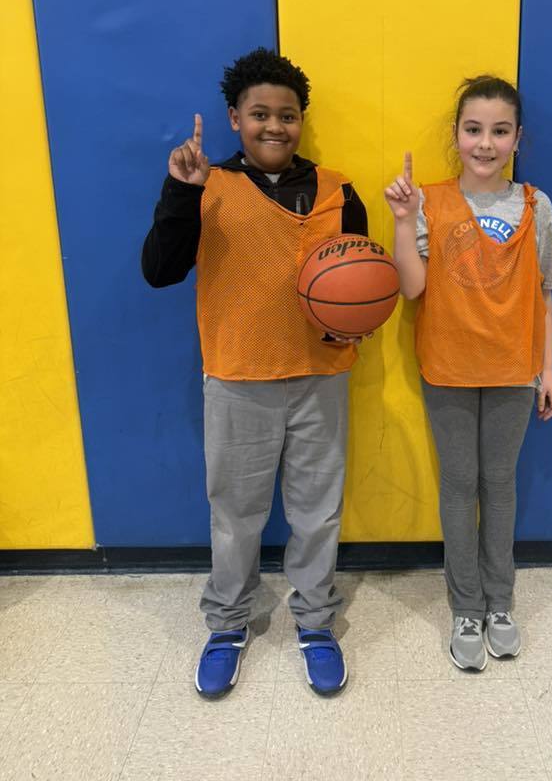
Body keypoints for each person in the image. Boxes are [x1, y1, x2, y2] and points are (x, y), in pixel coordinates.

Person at [142, 47, 368, 697]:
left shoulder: (337, 188)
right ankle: (228, 624)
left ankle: (316, 622)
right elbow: (159, 271)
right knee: (235, 513)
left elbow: (361, 283)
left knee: (317, 513)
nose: (275, 125)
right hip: (237, 377)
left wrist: (350, 319)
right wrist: (179, 191)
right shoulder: (206, 184)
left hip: (319, 376)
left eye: (288, 114)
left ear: (302, 121)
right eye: (260, 113)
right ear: (235, 117)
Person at [384, 75, 552, 671]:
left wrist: (548, 371)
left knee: (500, 484)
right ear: (456, 135)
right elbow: (412, 289)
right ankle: (465, 605)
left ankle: (501, 602)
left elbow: (544, 297)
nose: (485, 143)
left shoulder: (536, 206)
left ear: (518, 138)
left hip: (513, 370)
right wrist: (404, 221)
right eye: (473, 129)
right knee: (460, 486)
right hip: (449, 368)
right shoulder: (430, 199)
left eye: (500, 130)